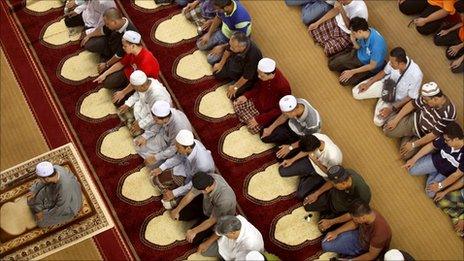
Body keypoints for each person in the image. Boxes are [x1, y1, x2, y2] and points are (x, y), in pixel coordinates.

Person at [352, 47, 423, 127]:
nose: (390, 64)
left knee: (378, 121)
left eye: (392, 63)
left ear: (401, 64)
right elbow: (384, 72)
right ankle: (379, 97)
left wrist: (391, 109)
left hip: (395, 99)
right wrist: (368, 83)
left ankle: (384, 104)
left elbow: (410, 97)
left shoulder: (416, 75)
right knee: (356, 92)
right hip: (385, 85)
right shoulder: (394, 60)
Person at [384, 82, 456, 160]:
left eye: (426, 101)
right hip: (414, 120)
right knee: (387, 131)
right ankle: (403, 130)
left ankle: (405, 134)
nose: (424, 101)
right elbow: (411, 105)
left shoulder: (449, 113)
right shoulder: (427, 97)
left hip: (423, 135)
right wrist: (396, 120)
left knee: (405, 156)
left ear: (435, 99)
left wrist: (413, 144)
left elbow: (433, 135)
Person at [170, 172, 237, 256]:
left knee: (192, 239)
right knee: (179, 215)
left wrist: (193, 231)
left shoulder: (225, 200)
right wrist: (177, 210)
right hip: (206, 204)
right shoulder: (209, 178)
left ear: (206, 189)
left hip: (217, 217)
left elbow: (212, 220)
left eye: (200, 190)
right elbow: (190, 194)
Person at [93, 30, 160, 106]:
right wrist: (104, 74)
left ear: (133, 46)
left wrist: (123, 92)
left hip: (139, 85)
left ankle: (122, 90)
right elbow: (121, 64)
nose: (123, 48)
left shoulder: (146, 61)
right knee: (107, 83)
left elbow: (138, 83)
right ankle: (121, 88)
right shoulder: (132, 52)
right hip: (128, 74)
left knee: (117, 102)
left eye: (125, 46)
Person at [151, 130, 216, 203]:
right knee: (155, 179)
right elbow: (178, 157)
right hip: (186, 167)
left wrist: (174, 193)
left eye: (178, 148)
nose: (176, 149)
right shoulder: (191, 144)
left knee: (167, 201)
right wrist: (162, 167)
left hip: (198, 181)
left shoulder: (203, 165)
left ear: (188, 148)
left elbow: (193, 184)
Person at [304, 165, 371, 233]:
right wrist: (316, 194)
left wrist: (331, 222)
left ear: (343, 183)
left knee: (322, 228)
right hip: (331, 197)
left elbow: (353, 214)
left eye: (335, 185)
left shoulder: (363, 193)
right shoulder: (345, 173)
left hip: (341, 211)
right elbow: (331, 182)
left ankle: (325, 214)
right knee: (307, 205)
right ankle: (324, 213)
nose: (333, 185)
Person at [404, 122, 464, 198]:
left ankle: (430, 171)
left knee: (430, 193)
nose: (444, 141)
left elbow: (457, 175)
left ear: (456, 139)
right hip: (436, 160)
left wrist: (440, 185)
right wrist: (413, 159)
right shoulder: (447, 137)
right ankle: (430, 169)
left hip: (446, 173)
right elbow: (431, 146)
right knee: (411, 170)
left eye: (447, 140)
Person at [233, 58, 292, 134]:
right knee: (237, 103)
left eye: (261, 76)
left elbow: (279, 110)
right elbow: (257, 87)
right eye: (258, 74)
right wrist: (246, 96)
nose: (259, 77)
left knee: (252, 128)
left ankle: (251, 119)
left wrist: (259, 120)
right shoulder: (263, 75)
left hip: (266, 112)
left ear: (271, 74)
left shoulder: (283, 86)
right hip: (256, 101)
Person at [279, 133, 343, 200]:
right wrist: (292, 160)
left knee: (300, 195)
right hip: (310, 162)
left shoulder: (333, 157)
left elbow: (330, 175)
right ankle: (305, 174)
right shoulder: (315, 137)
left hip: (321, 174)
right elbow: (306, 149)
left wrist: (316, 162)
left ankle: (306, 176)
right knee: (282, 171)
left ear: (314, 150)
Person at [322, 202, 392, 260]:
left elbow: (371, 255)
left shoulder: (381, 233)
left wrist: (350, 260)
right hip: (359, 236)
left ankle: (352, 255)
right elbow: (354, 223)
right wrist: (336, 232)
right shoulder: (368, 213)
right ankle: (349, 254)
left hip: (366, 249)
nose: (354, 220)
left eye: (355, 219)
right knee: (326, 244)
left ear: (363, 218)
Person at [328, 17, 387, 86]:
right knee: (331, 65)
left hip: (367, 65)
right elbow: (358, 47)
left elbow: (372, 66)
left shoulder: (377, 46)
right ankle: (347, 66)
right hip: (358, 54)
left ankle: (353, 71)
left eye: (353, 33)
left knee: (343, 82)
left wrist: (352, 72)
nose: (352, 34)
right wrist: (353, 40)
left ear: (360, 31)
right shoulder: (365, 33)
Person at [261, 95, 321, 161]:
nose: (284, 115)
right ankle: (281, 141)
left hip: (300, 137)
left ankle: (283, 144)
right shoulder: (297, 102)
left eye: (286, 114)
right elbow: (283, 117)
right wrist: (270, 129)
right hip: (289, 126)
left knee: (278, 155)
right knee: (264, 137)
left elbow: (307, 139)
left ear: (294, 110)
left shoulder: (313, 123)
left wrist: (290, 147)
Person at [134, 101, 192, 167]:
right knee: (138, 144)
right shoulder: (167, 114)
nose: (155, 121)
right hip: (165, 134)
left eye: (156, 120)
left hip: (176, 146)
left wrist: (156, 157)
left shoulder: (178, 127)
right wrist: (145, 136)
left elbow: (174, 148)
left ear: (164, 119)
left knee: (150, 161)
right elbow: (157, 124)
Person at [81, 8, 138, 73]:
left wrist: (107, 64)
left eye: (107, 24)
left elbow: (119, 54)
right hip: (110, 44)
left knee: (109, 81)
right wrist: (89, 35)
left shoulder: (128, 34)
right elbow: (103, 30)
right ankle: (105, 56)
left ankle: (106, 58)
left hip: (120, 55)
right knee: (88, 45)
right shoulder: (117, 23)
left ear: (114, 22)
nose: (106, 25)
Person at [27, 161, 83, 227]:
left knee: (41, 223)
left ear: (47, 179)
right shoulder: (55, 168)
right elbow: (42, 182)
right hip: (56, 189)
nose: (38, 180)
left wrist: (44, 214)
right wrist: (35, 190)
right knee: (32, 201)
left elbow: (61, 208)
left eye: (39, 178)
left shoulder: (64, 189)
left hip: (69, 205)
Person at [197, 0, 252, 64]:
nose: (216, 11)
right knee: (200, 44)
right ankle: (216, 43)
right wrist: (208, 34)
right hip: (222, 33)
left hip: (233, 42)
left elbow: (239, 42)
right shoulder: (224, 7)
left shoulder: (241, 20)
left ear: (226, 8)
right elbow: (218, 18)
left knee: (210, 59)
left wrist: (222, 47)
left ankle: (222, 50)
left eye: (218, 10)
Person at [118, 70, 172, 137]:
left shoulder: (157, 95)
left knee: (134, 133)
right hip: (143, 107)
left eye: (134, 87)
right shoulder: (146, 83)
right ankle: (132, 120)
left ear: (142, 86)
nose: (133, 89)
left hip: (156, 118)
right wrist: (128, 104)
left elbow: (156, 116)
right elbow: (138, 93)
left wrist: (141, 124)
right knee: (121, 111)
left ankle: (135, 123)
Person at [213, 32, 263, 99]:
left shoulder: (253, 55)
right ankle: (233, 78)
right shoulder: (234, 42)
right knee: (217, 73)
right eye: (230, 45)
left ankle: (235, 82)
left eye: (233, 48)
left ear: (242, 47)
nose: (230, 48)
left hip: (246, 76)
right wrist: (221, 64)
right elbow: (228, 50)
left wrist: (235, 87)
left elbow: (246, 76)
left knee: (232, 96)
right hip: (235, 64)